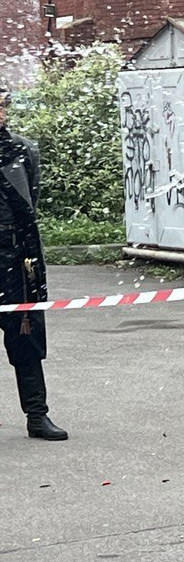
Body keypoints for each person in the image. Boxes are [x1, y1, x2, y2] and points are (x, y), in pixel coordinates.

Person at [0, 91, 68, 440]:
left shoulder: (21, 149)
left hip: (14, 260)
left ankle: (37, 416)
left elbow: (31, 201)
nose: (0, 112)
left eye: (1, 105)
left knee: (26, 340)